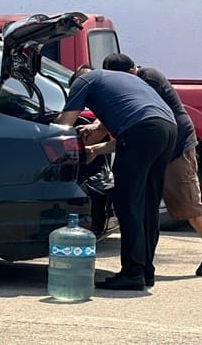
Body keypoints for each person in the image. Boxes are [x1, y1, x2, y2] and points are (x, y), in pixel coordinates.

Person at [54, 65, 177, 290]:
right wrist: (94, 149)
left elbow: (63, 126)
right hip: (167, 128)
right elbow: (130, 134)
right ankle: (146, 271)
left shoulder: (84, 82)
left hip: (143, 129)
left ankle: (132, 273)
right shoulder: (118, 81)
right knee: (148, 204)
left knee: (127, 202)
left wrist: (54, 145)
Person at [102, 53, 202, 277]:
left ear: (130, 73)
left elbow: (145, 117)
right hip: (156, 150)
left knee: (189, 204)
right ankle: (144, 264)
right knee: (149, 206)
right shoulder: (136, 81)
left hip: (177, 146)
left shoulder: (149, 79)